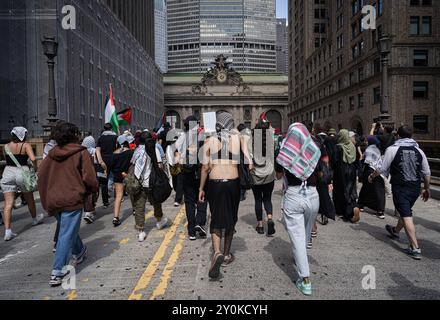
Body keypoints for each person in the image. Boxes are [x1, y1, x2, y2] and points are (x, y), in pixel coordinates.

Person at [38, 122, 98, 286]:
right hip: (71, 197)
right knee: (66, 233)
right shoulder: (81, 152)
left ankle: (79, 252)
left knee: (67, 229)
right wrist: (92, 190)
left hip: (54, 199)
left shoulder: (51, 154)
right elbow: (89, 177)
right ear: (75, 135)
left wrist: (46, 196)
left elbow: (41, 175)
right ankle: (58, 271)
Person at [199, 112, 249, 279]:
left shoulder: (209, 141)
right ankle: (227, 254)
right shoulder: (238, 138)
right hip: (233, 183)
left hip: (215, 183)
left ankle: (217, 252)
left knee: (215, 218)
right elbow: (248, 159)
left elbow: (205, 168)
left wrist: (201, 188)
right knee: (230, 218)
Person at [369, 126, 431, 260]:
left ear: (397, 135)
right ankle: (395, 231)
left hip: (400, 187)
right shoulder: (419, 150)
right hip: (415, 187)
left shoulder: (392, 149)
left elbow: (382, 168)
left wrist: (372, 176)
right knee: (405, 211)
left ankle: (415, 248)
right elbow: (426, 172)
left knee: (407, 215)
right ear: (411, 135)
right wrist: (426, 188)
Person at [275, 123, 321, 296]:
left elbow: (279, 175)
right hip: (313, 195)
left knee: (298, 238)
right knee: (305, 235)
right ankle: (300, 256)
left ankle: (305, 280)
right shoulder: (314, 148)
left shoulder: (284, 151)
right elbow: (322, 171)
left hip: (294, 195)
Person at [1, 127, 43, 241]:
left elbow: (6, 159)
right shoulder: (25, 145)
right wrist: (34, 168)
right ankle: (34, 219)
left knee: (8, 203)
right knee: (29, 198)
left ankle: (8, 231)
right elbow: (33, 158)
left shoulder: (6, 146)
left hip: (8, 172)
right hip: (22, 172)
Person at [131, 131, 169, 242]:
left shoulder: (137, 151)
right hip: (152, 182)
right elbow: (160, 165)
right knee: (156, 201)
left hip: (139, 182)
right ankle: (160, 220)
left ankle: (141, 231)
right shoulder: (155, 149)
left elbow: (133, 165)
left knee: (139, 206)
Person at [176, 116, 208, 241]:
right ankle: (199, 223)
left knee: (189, 202)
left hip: (186, 173)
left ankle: (191, 231)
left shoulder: (182, 137)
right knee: (202, 198)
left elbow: (176, 157)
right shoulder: (203, 137)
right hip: (200, 173)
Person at [251, 120, 276, 236]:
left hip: (256, 174)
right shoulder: (270, 141)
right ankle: (269, 219)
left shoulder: (252, 142)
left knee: (258, 200)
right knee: (267, 199)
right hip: (269, 174)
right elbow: (271, 130)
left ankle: (260, 225)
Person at [332, 129, 361, 223]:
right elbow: (356, 160)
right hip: (351, 171)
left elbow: (334, 161)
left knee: (340, 190)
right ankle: (355, 206)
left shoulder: (338, 147)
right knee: (350, 189)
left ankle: (346, 212)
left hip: (340, 172)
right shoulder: (352, 146)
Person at [109, 135, 134, 227]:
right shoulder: (131, 152)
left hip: (117, 176)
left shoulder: (114, 153)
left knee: (118, 196)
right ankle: (134, 209)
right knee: (132, 192)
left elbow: (110, 166)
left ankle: (116, 217)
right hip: (128, 175)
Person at [358, 136, 386, 219]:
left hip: (370, 170)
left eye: (367, 141)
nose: (366, 142)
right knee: (378, 190)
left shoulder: (369, 148)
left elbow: (367, 160)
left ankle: (361, 205)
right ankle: (380, 210)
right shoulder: (377, 149)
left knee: (366, 188)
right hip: (378, 171)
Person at [96, 123, 118, 208]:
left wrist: (100, 161)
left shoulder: (100, 138)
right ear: (111, 128)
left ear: (104, 129)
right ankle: (117, 197)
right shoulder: (116, 137)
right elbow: (119, 149)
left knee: (104, 182)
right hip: (114, 160)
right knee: (116, 180)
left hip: (104, 161)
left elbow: (98, 150)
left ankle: (105, 202)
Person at [82, 135, 100, 224]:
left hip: (82, 175)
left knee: (87, 193)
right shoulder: (94, 151)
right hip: (93, 173)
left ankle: (90, 210)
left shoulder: (81, 151)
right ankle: (89, 212)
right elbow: (98, 161)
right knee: (93, 192)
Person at [166, 134, 184, 207]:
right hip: (173, 167)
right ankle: (179, 194)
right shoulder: (169, 147)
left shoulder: (180, 147)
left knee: (179, 183)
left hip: (180, 167)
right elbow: (168, 156)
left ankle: (177, 199)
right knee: (175, 183)